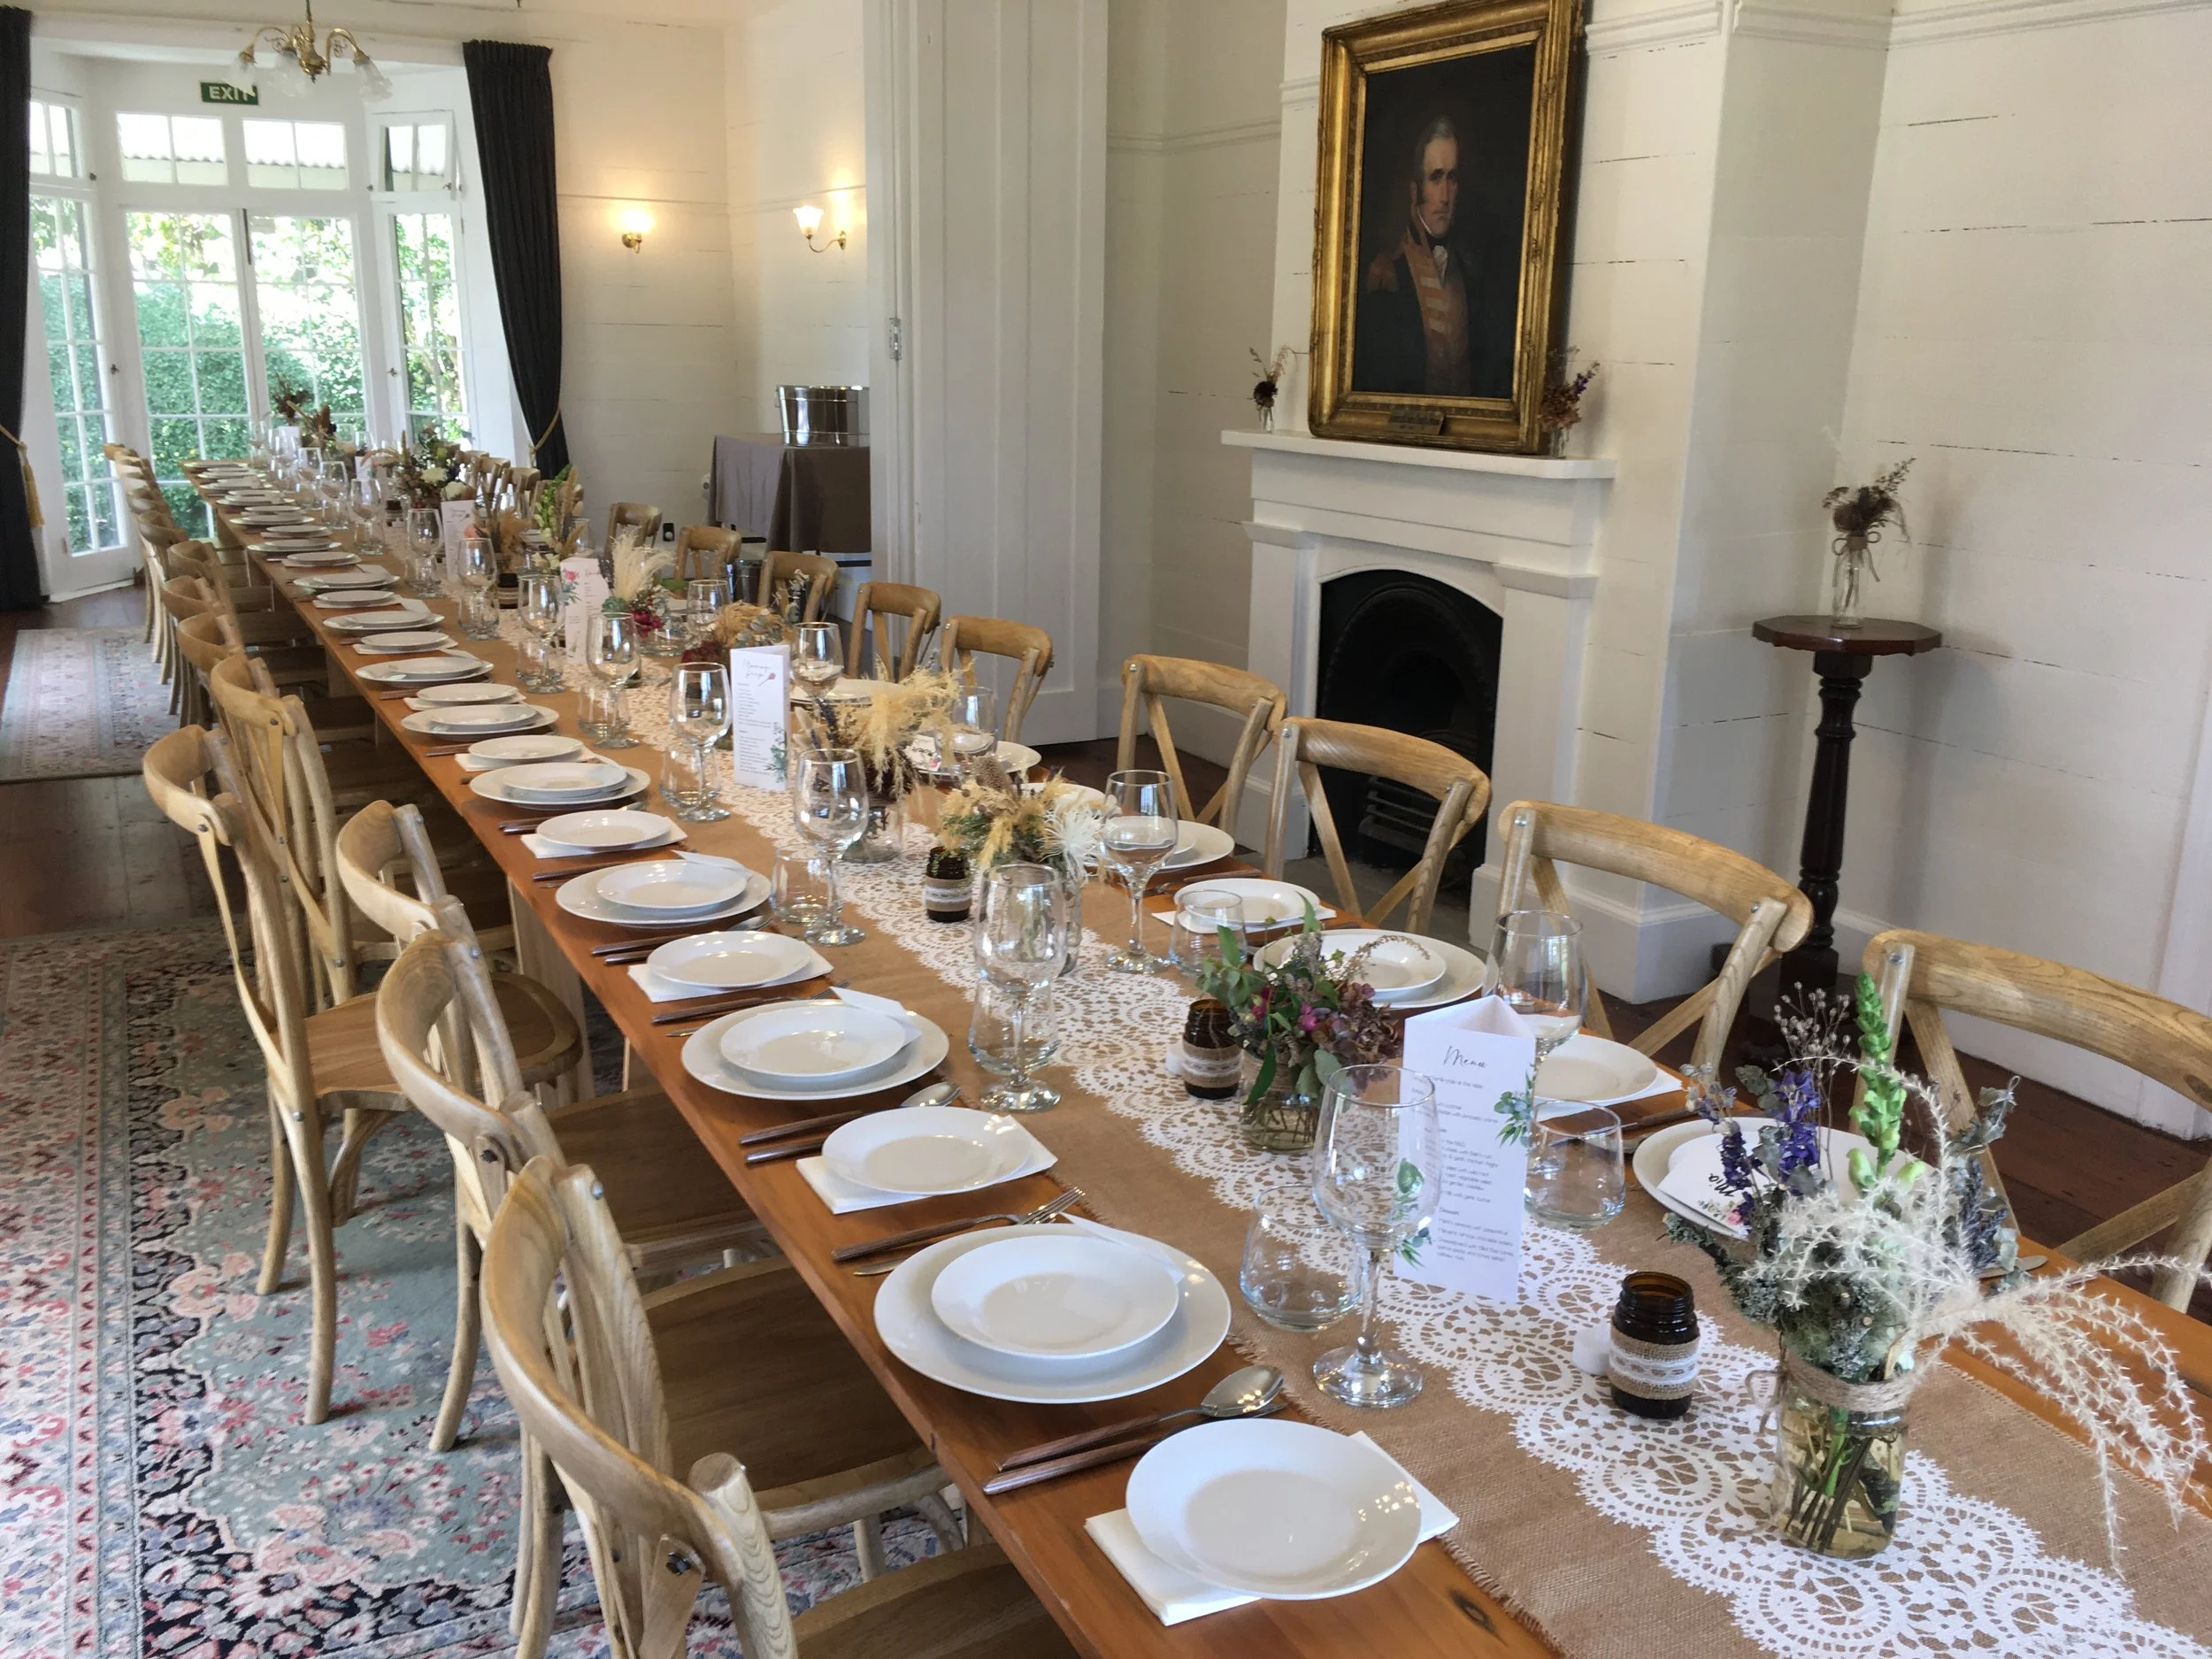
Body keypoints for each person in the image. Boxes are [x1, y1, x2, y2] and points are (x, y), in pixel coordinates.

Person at [1354, 116, 1512, 398]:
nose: (1445, 197)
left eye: (1452, 178)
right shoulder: (1387, 272)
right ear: (1415, 190)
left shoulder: (1471, 270)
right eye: (1435, 177)